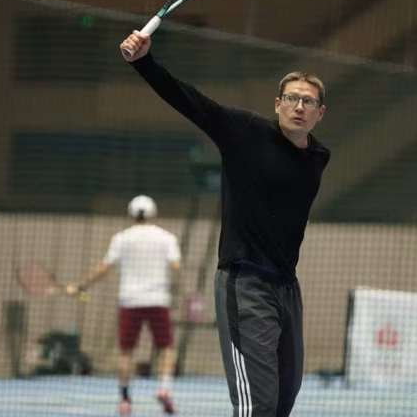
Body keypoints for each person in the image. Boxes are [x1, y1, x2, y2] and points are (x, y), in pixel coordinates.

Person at [120, 32, 330, 417]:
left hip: (287, 288)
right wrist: (143, 63)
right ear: (278, 104)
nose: (298, 106)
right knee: (257, 406)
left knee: (283, 399)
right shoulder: (245, 131)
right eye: (290, 98)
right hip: (245, 282)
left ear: (320, 113)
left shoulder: (318, 157)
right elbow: (190, 101)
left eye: (308, 101)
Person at [66, 195, 181, 415]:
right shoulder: (167, 238)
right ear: (154, 213)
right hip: (158, 300)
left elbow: (104, 268)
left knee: (127, 351)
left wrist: (80, 286)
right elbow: (176, 267)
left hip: (130, 301)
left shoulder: (121, 239)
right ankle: (165, 390)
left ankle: (125, 400)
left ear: (131, 214)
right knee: (166, 348)